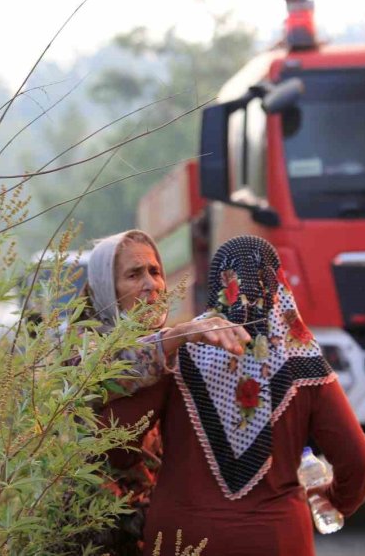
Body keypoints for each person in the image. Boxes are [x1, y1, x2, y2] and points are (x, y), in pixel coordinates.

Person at [99, 235, 365, 555]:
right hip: (276, 537)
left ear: (218, 284)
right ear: (278, 283)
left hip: (182, 538)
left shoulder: (179, 351)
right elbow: (356, 457)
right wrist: (333, 500)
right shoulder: (303, 362)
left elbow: (116, 444)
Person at [72, 229, 251, 555]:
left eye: (155, 271)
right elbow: (109, 370)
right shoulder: (77, 343)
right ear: (105, 288)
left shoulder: (173, 345)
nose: (151, 284)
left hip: (154, 527)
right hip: (93, 530)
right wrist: (178, 335)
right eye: (133, 274)